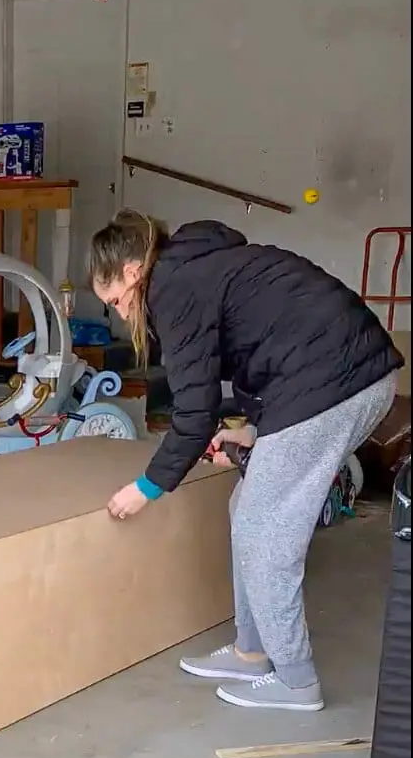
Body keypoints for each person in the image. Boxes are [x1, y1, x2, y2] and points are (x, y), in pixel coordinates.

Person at [88, 210, 404, 713]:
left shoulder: (171, 286)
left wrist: (145, 488)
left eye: (117, 302)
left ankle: (297, 682)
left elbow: (192, 412)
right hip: (341, 379)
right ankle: (251, 652)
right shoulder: (200, 266)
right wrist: (250, 429)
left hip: (338, 384)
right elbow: (271, 349)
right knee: (246, 507)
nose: (124, 315)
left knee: (264, 529)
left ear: (131, 271)